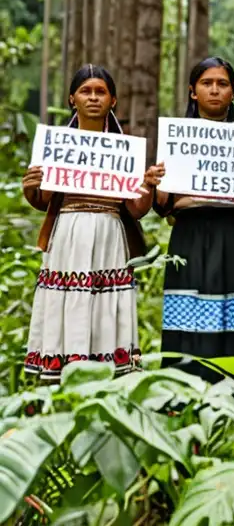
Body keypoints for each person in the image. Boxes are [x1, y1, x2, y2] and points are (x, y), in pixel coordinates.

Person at [22, 65, 163, 381]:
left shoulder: (124, 149)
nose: (94, 98)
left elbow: (137, 209)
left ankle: (107, 371)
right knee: (69, 299)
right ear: (73, 99)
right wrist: (30, 186)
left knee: (105, 302)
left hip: (109, 235)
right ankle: (61, 371)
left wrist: (148, 185)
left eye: (101, 92)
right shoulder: (57, 145)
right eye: (86, 91)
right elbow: (43, 199)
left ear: (113, 100)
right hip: (68, 235)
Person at [155, 57, 234, 377]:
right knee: (187, 308)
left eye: (222, 84)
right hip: (191, 235)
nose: (214, 90)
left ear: (233, 92)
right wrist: (157, 181)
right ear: (193, 92)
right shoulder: (177, 140)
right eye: (207, 83)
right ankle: (182, 393)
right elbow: (163, 204)